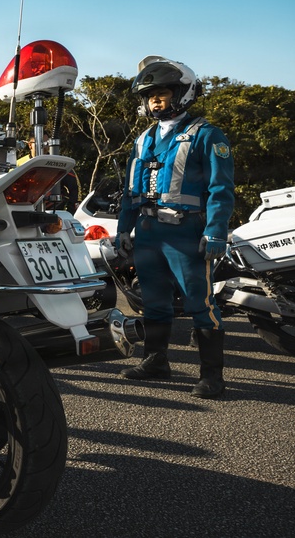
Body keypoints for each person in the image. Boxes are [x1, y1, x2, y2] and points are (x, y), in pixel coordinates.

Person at [115, 56, 234, 399]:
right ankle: (156, 362)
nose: (154, 100)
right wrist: (124, 229)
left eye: (162, 93)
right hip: (147, 232)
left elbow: (221, 189)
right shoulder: (143, 140)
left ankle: (212, 376)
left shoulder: (206, 135)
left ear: (183, 94)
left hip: (186, 232)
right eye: (149, 96)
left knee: (200, 302)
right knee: (153, 301)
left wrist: (216, 231)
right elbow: (130, 192)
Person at [18, 135, 79, 213]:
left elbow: (73, 187)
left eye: (46, 143)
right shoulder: (19, 164)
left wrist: (70, 209)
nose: (44, 146)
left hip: (54, 212)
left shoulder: (57, 163)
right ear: (30, 145)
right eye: (41, 142)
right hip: (26, 211)